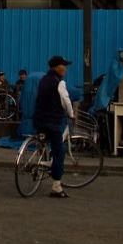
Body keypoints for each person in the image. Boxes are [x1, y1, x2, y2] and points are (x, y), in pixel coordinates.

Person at [33, 55, 76, 199]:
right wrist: (71, 114)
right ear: (57, 67)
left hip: (39, 119)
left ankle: (42, 165)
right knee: (59, 152)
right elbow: (66, 100)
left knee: (45, 143)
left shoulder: (43, 80)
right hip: (52, 121)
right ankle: (57, 187)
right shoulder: (59, 82)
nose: (66, 69)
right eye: (64, 65)